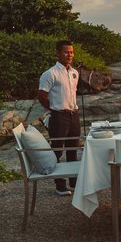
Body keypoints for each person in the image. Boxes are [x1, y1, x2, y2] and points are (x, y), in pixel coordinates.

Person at [37, 40, 80, 195]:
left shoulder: (75, 72)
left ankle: (75, 184)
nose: (69, 55)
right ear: (58, 53)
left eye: (71, 52)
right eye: (66, 52)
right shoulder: (50, 73)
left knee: (73, 150)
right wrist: (54, 109)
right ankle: (60, 186)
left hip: (74, 115)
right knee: (57, 151)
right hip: (59, 117)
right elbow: (42, 95)